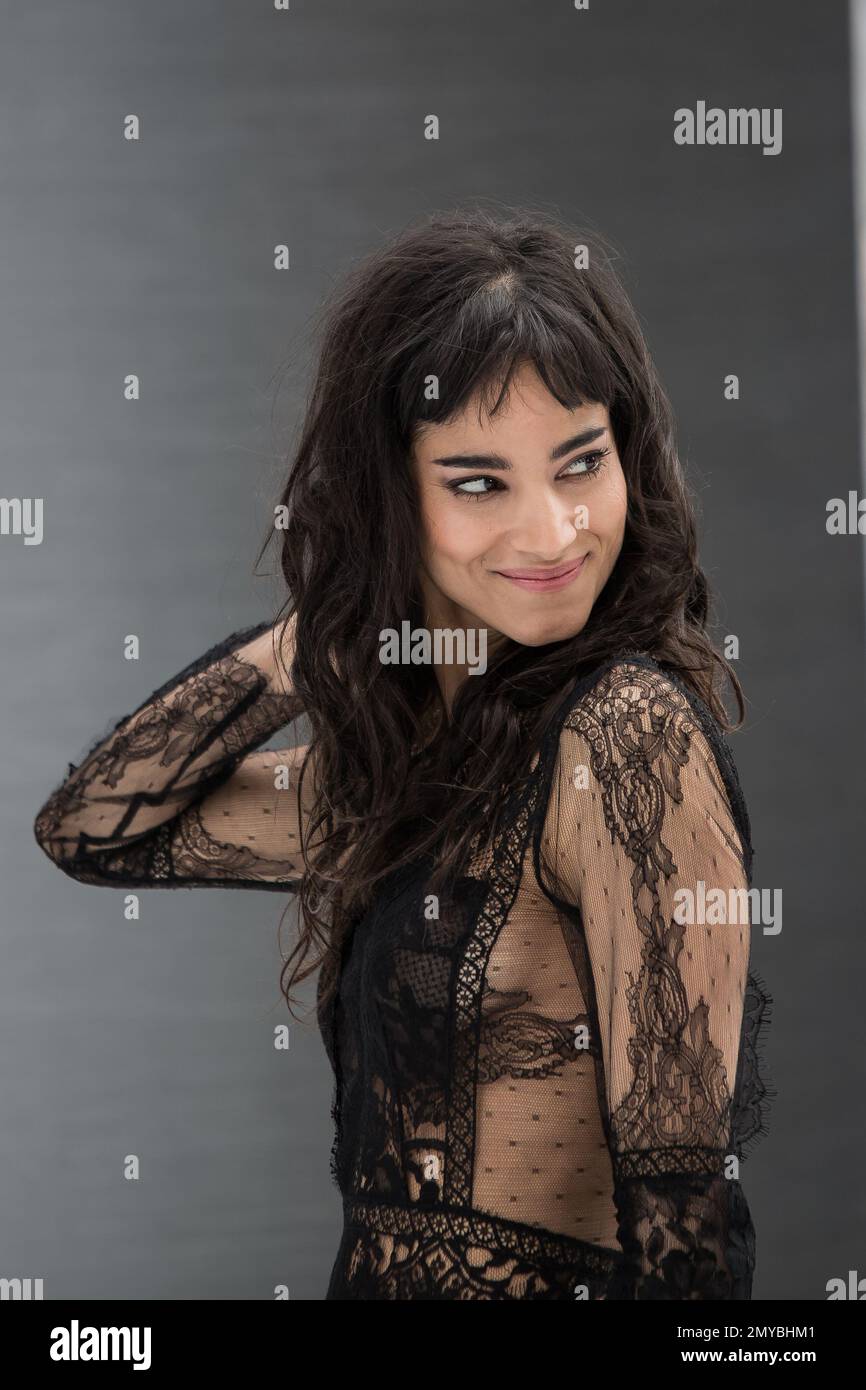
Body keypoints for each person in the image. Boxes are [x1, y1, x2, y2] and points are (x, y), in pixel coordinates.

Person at [33, 206, 774, 1300]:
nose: (553, 531)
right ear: (391, 500)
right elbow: (94, 829)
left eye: (581, 462)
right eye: (479, 483)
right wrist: (335, 616)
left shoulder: (624, 743)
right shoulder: (403, 775)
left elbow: (688, 1248)